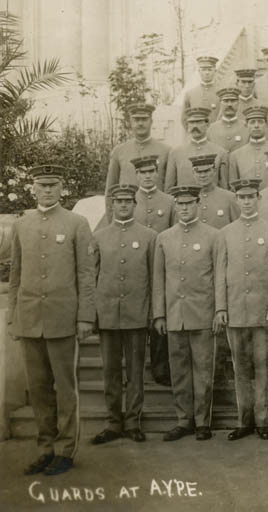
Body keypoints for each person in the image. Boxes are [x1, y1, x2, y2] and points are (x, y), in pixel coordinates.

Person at [9, 164, 95, 476]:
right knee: (39, 388)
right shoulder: (21, 224)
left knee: (66, 388)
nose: (47, 190)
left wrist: (85, 317)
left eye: (53, 185)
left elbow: (86, 276)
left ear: (62, 188)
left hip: (63, 320)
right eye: (42, 185)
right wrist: (13, 319)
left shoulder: (77, 223)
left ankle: (65, 449)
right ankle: (44, 449)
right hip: (30, 320)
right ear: (32, 188)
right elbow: (15, 275)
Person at [153, 184, 224, 442]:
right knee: (179, 370)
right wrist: (159, 315)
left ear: (198, 204)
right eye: (180, 204)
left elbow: (219, 276)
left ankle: (203, 421)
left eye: (188, 203)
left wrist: (220, 310)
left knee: (203, 369)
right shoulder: (164, 238)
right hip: (174, 316)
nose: (184, 208)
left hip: (203, 314)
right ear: (175, 206)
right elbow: (158, 280)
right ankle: (184, 420)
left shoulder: (213, 236)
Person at [216, 178, 268, 441]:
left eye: (250, 197)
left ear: (259, 198)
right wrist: (221, 307)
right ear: (236, 200)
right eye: (241, 198)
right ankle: (243, 420)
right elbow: (221, 274)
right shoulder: (226, 233)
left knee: (262, 367)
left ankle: (263, 421)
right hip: (235, 311)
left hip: (262, 313)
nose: (246, 202)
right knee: (240, 368)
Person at [90, 184, 156, 446]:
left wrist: (152, 313)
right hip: (107, 314)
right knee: (111, 371)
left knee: (136, 371)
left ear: (135, 205)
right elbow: (91, 277)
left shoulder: (150, 236)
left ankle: (133, 421)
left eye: (129, 201)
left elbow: (154, 279)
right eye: (119, 201)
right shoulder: (99, 236)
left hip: (137, 314)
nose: (124, 205)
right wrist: (92, 313)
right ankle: (113, 422)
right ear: (112, 204)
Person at [130, 156, 175, 386]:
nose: (147, 176)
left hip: (163, 265)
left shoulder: (169, 201)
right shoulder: (128, 200)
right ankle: (134, 369)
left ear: (157, 173)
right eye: (142, 172)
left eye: (151, 171)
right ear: (136, 175)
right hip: (135, 267)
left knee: (160, 312)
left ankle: (160, 368)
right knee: (136, 315)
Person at [106, 103, 170, 193]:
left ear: (151, 121)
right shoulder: (119, 151)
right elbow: (110, 188)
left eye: (144, 119)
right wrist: (109, 207)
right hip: (128, 206)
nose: (140, 123)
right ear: (130, 122)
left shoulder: (165, 151)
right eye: (136, 120)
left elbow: (169, 187)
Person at [165, 107, 229, 190]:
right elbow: (169, 188)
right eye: (191, 122)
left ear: (207, 124)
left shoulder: (220, 152)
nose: (195, 126)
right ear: (187, 125)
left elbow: (224, 188)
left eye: (199, 122)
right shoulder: (175, 153)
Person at [228, 105, 268, 187]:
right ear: (246, 125)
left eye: (260, 121)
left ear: (266, 125)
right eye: (252, 122)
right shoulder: (236, 155)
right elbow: (233, 186)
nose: (256, 125)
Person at [207, 87, 249, 153]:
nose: (229, 104)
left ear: (238, 103)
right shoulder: (211, 129)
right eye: (226, 101)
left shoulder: (247, 128)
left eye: (233, 101)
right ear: (220, 103)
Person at [184, 56, 221, 123]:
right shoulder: (190, 94)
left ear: (215, 71)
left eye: (210, 69)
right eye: (204, 70)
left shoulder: (221, 93)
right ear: (199, 71)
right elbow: (184, 118)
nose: (207, 73)